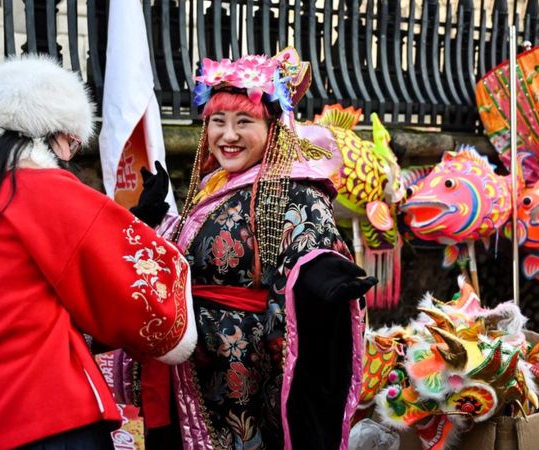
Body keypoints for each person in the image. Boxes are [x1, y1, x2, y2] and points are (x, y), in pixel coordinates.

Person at [0, 55, 196, 449]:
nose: (72, 150)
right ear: (51, 131)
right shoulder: (44, 190)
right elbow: (130, 287)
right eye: (72, 139)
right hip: (47, 414)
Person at [133, 48, 376, 449]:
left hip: (243, 373)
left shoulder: (295, 191)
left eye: (243, 121)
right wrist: (156, 219)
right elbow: (199, 250)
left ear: (273, 128)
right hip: (193, 363)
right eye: (217, 122)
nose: (227, 136)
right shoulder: (215, 184)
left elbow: (308, 251)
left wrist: (319, 274)